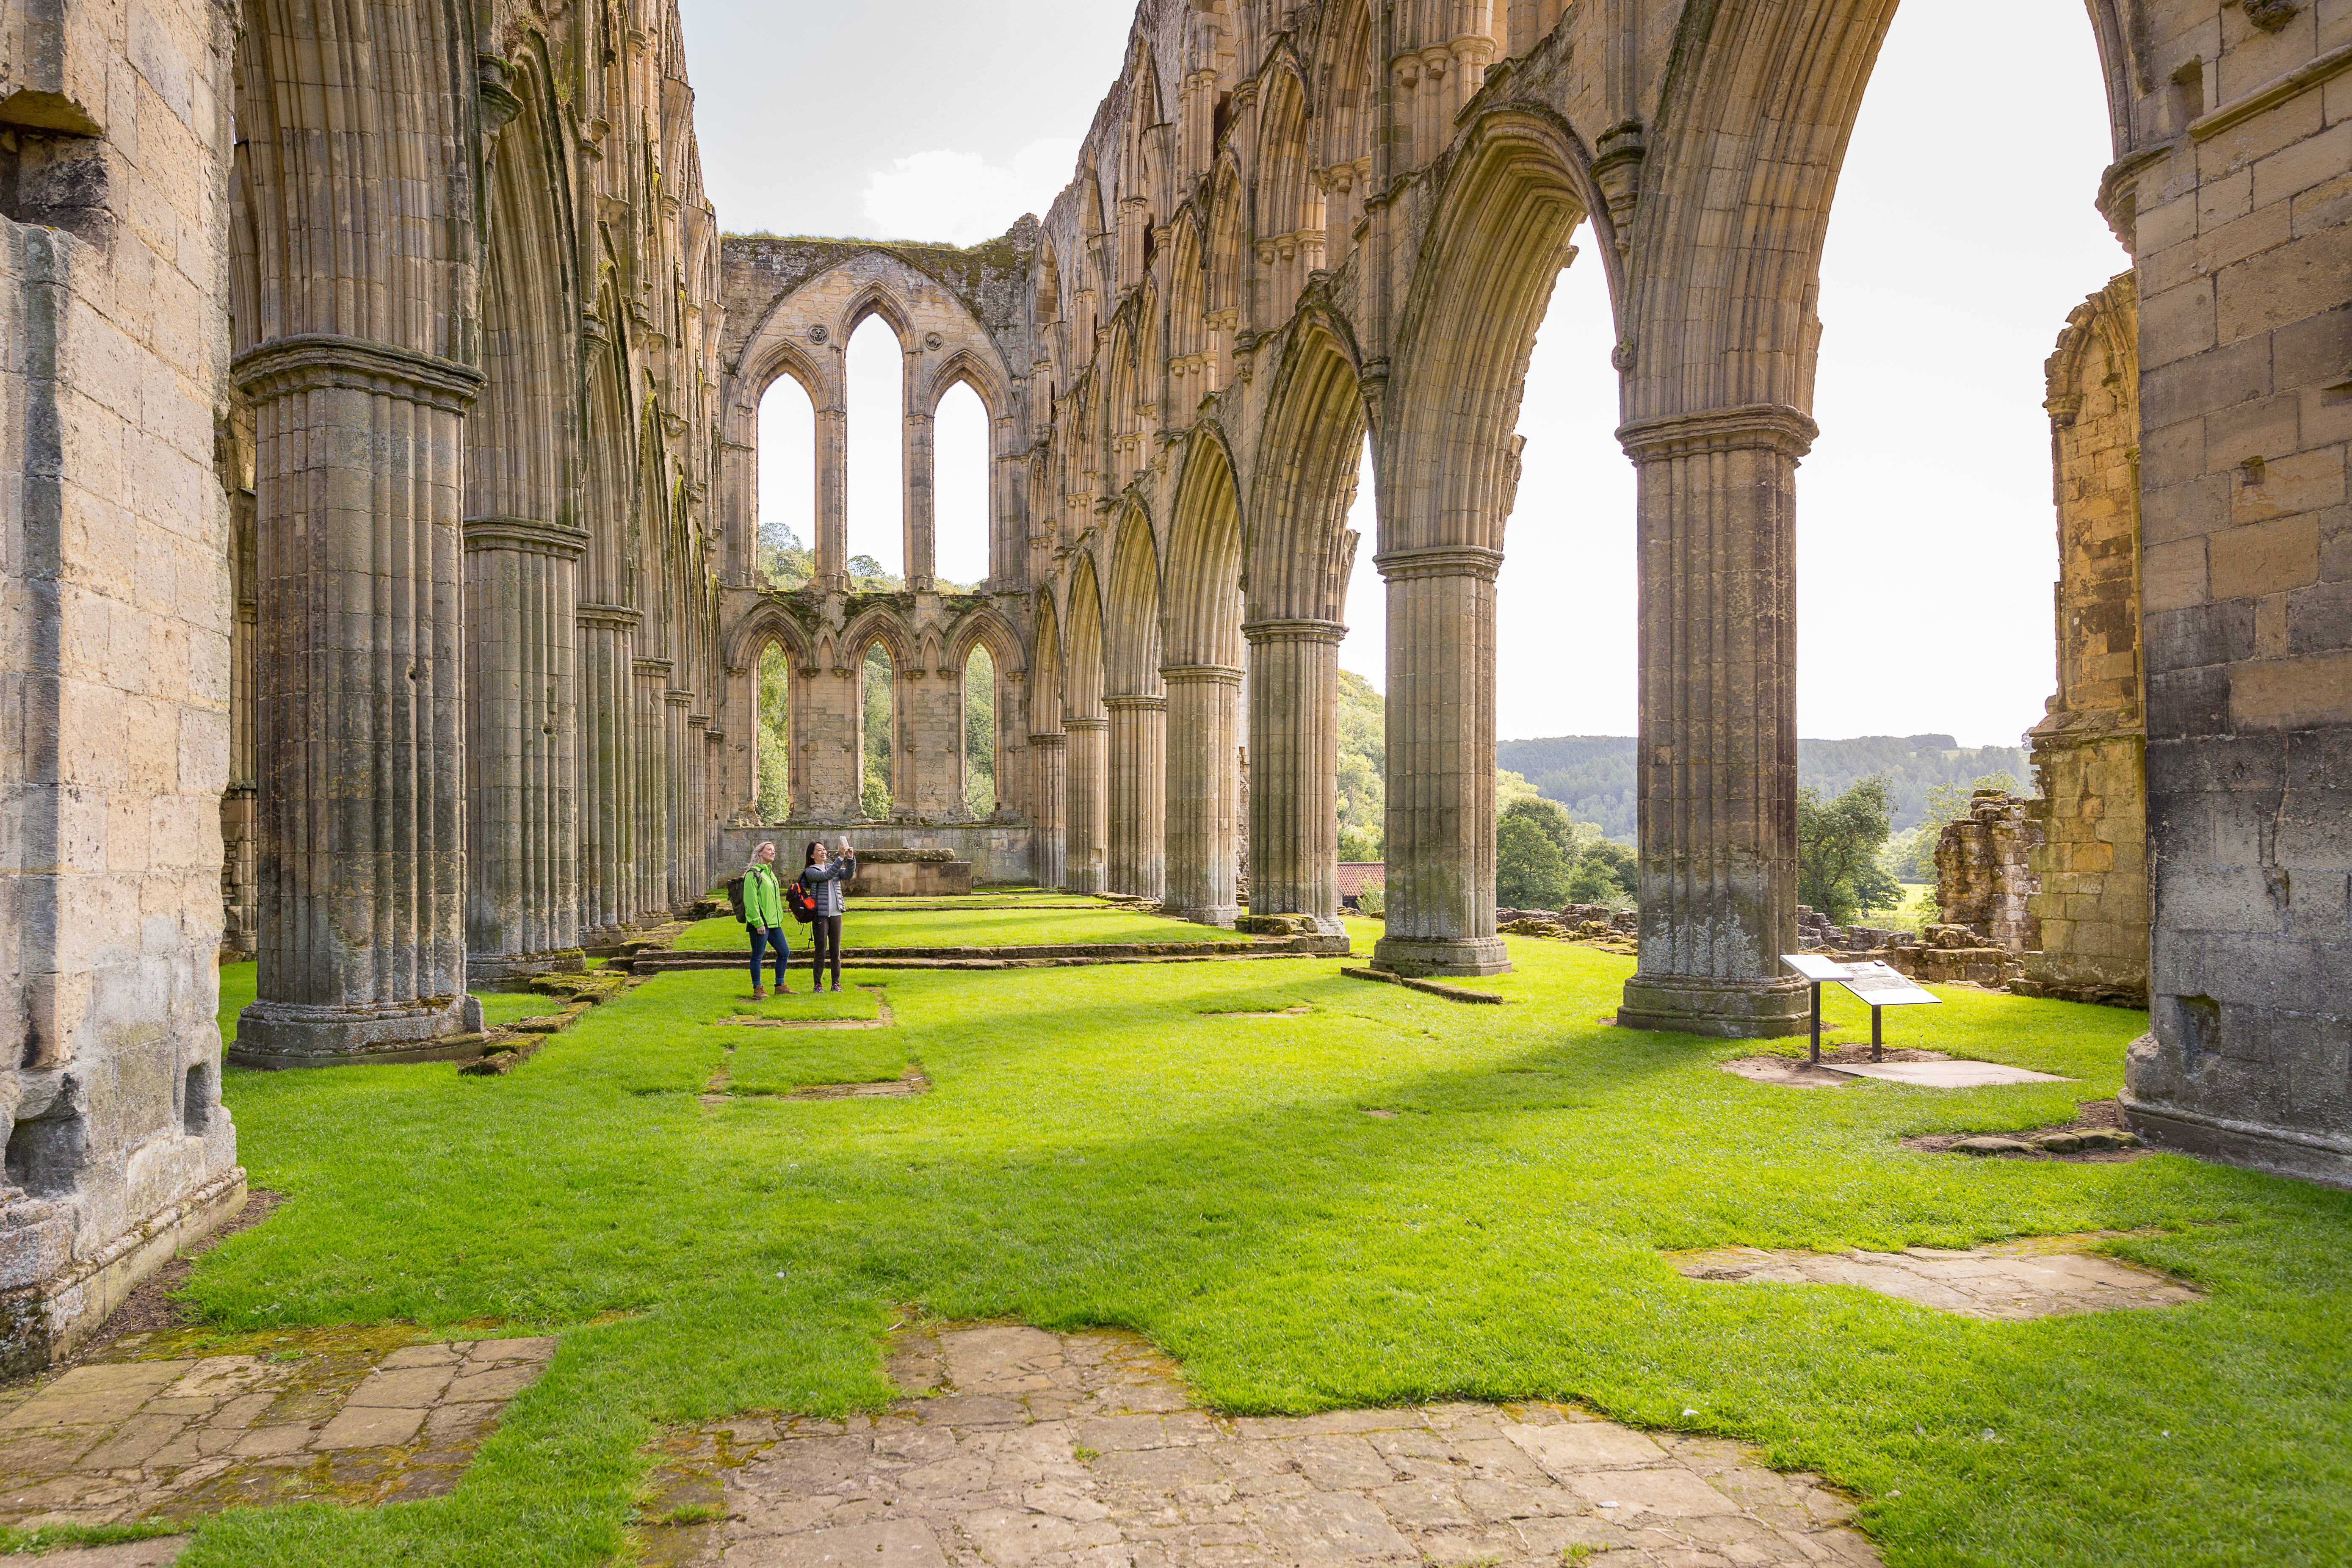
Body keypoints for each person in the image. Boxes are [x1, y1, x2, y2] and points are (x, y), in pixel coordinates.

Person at [800, 838, 857, 993]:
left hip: (836, 913)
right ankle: (818, 984)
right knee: (821, 949)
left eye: (824, 849)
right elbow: (827, 876)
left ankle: (836, 984)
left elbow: (847, 874)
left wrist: (850, 858)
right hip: (820, 914)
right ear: (812, 856)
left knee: (836, 950)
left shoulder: (832, 866)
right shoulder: (811, 871)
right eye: (819, 850)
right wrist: (840, 857)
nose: (823, 852)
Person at [741, 841, 791, 999]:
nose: (773, 852)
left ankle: (780, 986)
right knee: (758, 955)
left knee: (784, 952)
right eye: (769, 850)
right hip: (761, 923)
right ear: (760, 853)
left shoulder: (771, 874)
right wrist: (758, 922)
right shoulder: (753, 874)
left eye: (774, 850)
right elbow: (751, 901)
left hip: (774, 923)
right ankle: (758, 989)